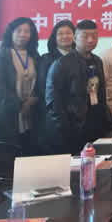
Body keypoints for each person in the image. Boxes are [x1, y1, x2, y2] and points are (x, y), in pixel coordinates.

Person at [46, 20, 108, 154]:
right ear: (75, 38)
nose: (90, 40)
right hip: (74, 127)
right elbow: (53, 101)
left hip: (96, 123)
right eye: (85, 36)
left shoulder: (97, 60)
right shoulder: (61, 64)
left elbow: (101, 92)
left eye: (94, 36)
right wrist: (65, 128)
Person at [0, 17, 40, 152]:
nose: (23, 34)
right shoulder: (0, 57)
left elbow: (40, 82)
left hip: (29, 114)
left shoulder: (34, 56)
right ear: (11, 33)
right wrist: (21, 105)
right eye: (18, 30)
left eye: (27, 31)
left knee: (27, 153)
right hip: (5, 115)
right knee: (7, 156)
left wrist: (33, 100)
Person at [36, 19, 75, 152]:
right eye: (60, 34)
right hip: (55, 116)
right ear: (54, 37)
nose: (65, 36)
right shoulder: (46, 59)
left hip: (77, 116)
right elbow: (43, 89)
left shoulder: (79, 57)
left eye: (68, 33)